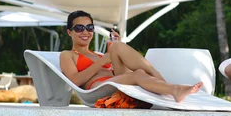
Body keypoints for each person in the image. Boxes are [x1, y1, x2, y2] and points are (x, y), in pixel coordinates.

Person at [60, 10, 203, 102]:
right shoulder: (67, 55)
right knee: (138, 73)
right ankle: (174, 89)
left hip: (116, 79)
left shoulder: (98, 54)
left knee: (116, 46)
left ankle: (155, 73)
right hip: (99, 87)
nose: (85, 32)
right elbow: (75, 80)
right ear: (69, 32)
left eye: (89, 27)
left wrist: (116, 50)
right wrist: (104, 60)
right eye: (79, 28)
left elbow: (115, 69)